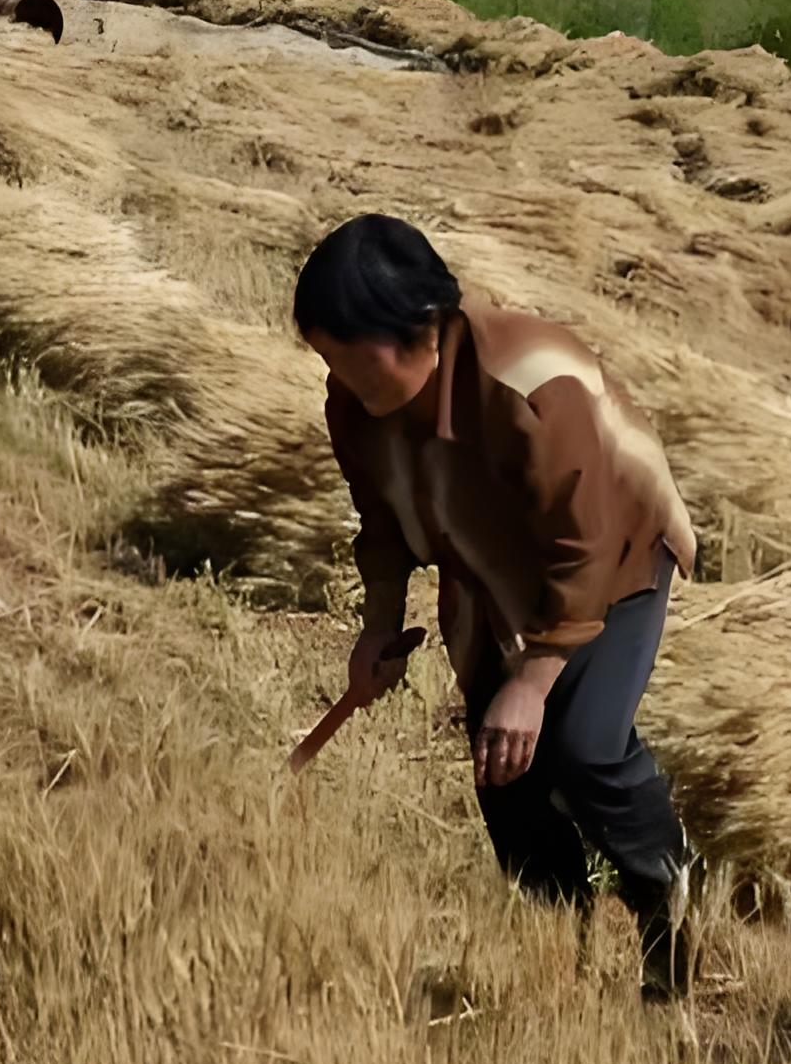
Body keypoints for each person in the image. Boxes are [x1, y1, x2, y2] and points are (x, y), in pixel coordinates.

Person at [297, 215, 704, 1004]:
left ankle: (673, 912)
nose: (337, 375)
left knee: (584, 748)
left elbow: (584, 547)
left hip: (611, 564)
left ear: (418, 330)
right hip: (488, 574)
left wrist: (534, 680)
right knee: (505, 774)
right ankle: (558, 951)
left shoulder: (530, 382)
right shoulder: (353, 406)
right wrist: (379, 624)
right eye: (326, 358)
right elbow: (380, 524)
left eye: (350, 354)